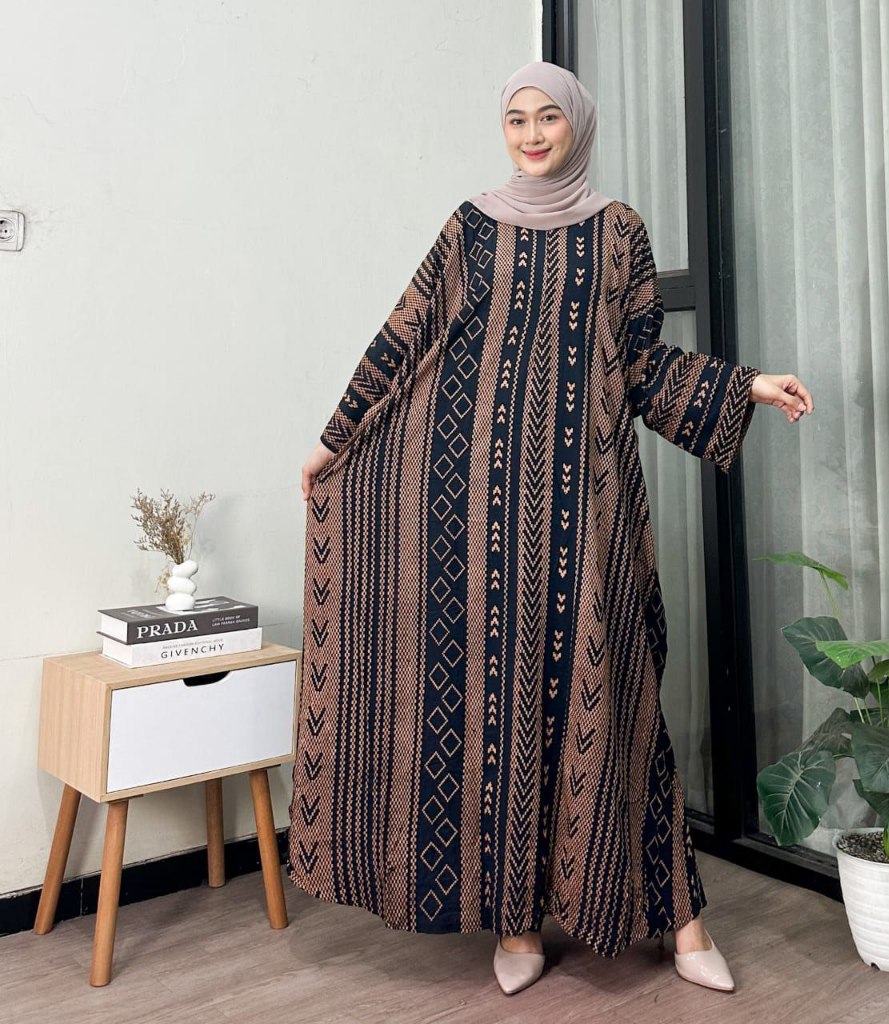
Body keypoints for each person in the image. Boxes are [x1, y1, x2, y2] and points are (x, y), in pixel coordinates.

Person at [291, 60, 813, 998]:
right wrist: (337, 442)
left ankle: (683, 924)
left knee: (617, 701)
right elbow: (405, 336)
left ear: (577, 126)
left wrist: (746, 386)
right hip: (474, 510)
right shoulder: (470, 228)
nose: (532, 135)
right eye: (516, 120)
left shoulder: (619, 233)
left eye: (548, 119)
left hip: (588, 508)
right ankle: (518, 926)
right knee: (497, 706)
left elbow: (643, 366)